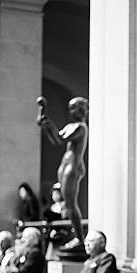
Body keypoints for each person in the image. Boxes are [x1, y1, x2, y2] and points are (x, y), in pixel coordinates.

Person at [37, 96, 88, 252]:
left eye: (76, 107)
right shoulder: (70, 125)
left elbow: (61, 138)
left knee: (71, 204)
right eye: (71, 108)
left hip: (73, 166)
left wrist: (48, 123)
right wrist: (45, 125)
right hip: (65, 164)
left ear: (84, 109)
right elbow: (56, 140)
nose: (73, 111)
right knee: (67, 203)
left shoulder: (81, 127)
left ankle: (80, 239)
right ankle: (77, 238)